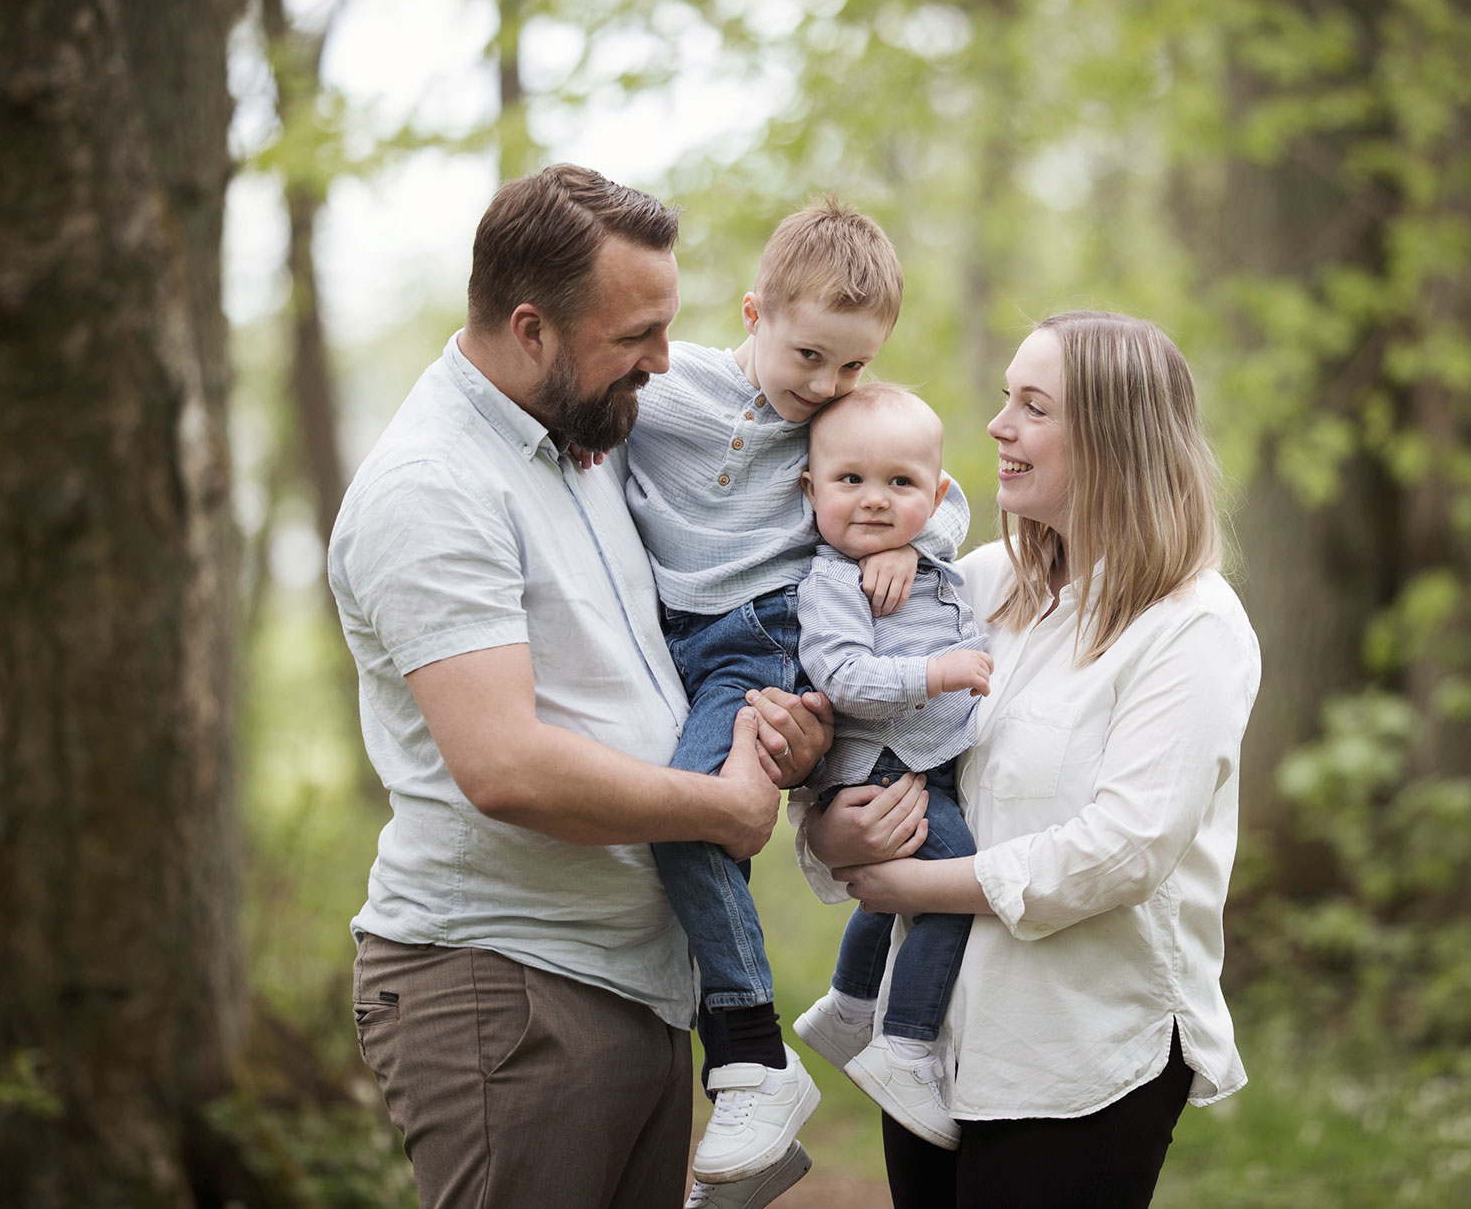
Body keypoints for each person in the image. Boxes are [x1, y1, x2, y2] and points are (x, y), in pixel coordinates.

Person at [327, 165, 835, 1209]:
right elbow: (504, 767)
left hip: (631, 979)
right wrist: (721, 805)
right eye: (634, 336)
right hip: (506, 986)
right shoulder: (434, 487)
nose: (663, 360)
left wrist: (773, 729)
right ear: (532, 330)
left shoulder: (588, 442)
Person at [801, 310, 1261, 1209]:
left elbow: (1123, 847)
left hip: (1079, 1047)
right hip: (930, 1045)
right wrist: (830, 831)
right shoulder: (975, 586)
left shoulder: (1192, 625)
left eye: (1032, 407)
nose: (997, 426)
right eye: (1007, 397)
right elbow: (862, 732)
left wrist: (919, 887)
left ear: (1113, 440)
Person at [615, 198, 968, 1185]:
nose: (827, 386)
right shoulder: (667, 386)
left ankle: (748, 1059)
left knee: (686, 820)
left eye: (852, 365)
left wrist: (912, 543)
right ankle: (752, 1056)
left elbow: (929, 481)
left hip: (757, 645)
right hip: (660, 646)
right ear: (752, 312)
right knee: (674, 827)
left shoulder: (846, 419)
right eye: (808, 355)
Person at [786, 385, 992, 1150]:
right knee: (953, 875)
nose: (874, 501)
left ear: (933, 497)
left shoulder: (922, 552)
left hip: (917, 758)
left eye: (899, 484)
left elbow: (949, 508)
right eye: (851, 481)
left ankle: (846, 1007)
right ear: (810, 490)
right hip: (874, 766)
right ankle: (904, 1045)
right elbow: (843, 678)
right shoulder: (832, 580)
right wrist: (936, 673)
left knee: (900, 883)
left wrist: (916, 541)